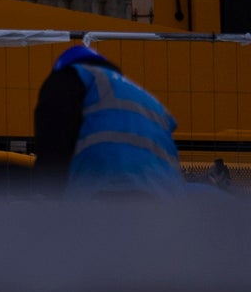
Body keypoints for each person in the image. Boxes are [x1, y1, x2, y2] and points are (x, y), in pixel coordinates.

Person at [32, 36, 185, 193]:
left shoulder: (72, 76)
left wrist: (46, 193)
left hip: (107, 189)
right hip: (165, 198)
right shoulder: (145, 98)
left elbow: (53, 138)